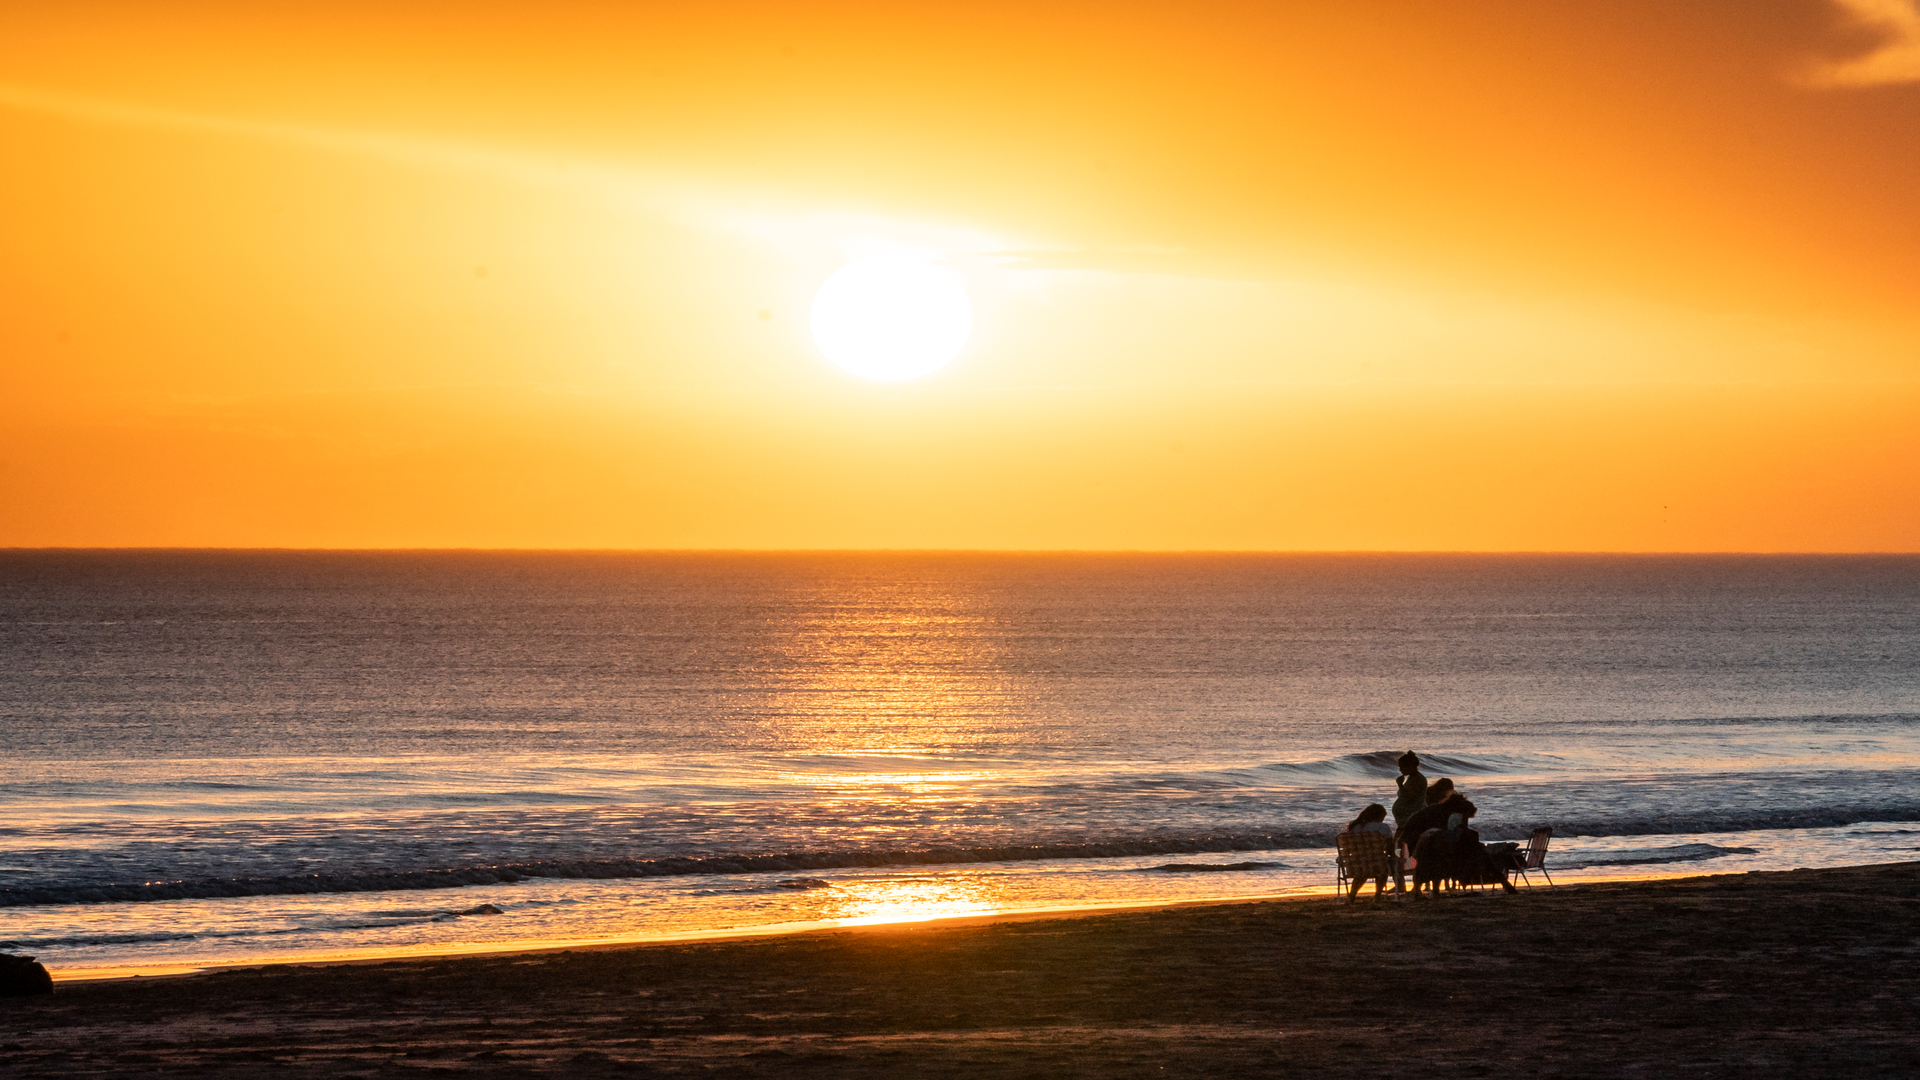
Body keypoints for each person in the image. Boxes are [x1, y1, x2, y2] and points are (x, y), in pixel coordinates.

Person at [1340, 803, 1395, 900]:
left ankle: (1352, 895)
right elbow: (1390, 848)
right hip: (1378, 864)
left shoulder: (1355, 827)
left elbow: (1349, 848)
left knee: (1363, 869)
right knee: (1382, 866)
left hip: (1356, 865)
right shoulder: (1384, 827)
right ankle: (1377, 895)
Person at [1391, 751, 1428, 827]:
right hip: (1407, 819)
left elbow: (1408, 799)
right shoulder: (1412, 778)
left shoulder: (1418, 779)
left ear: (1411, 766)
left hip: (1411, 818)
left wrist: (1400, 784)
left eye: (1402, 767)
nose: (1400, 770)